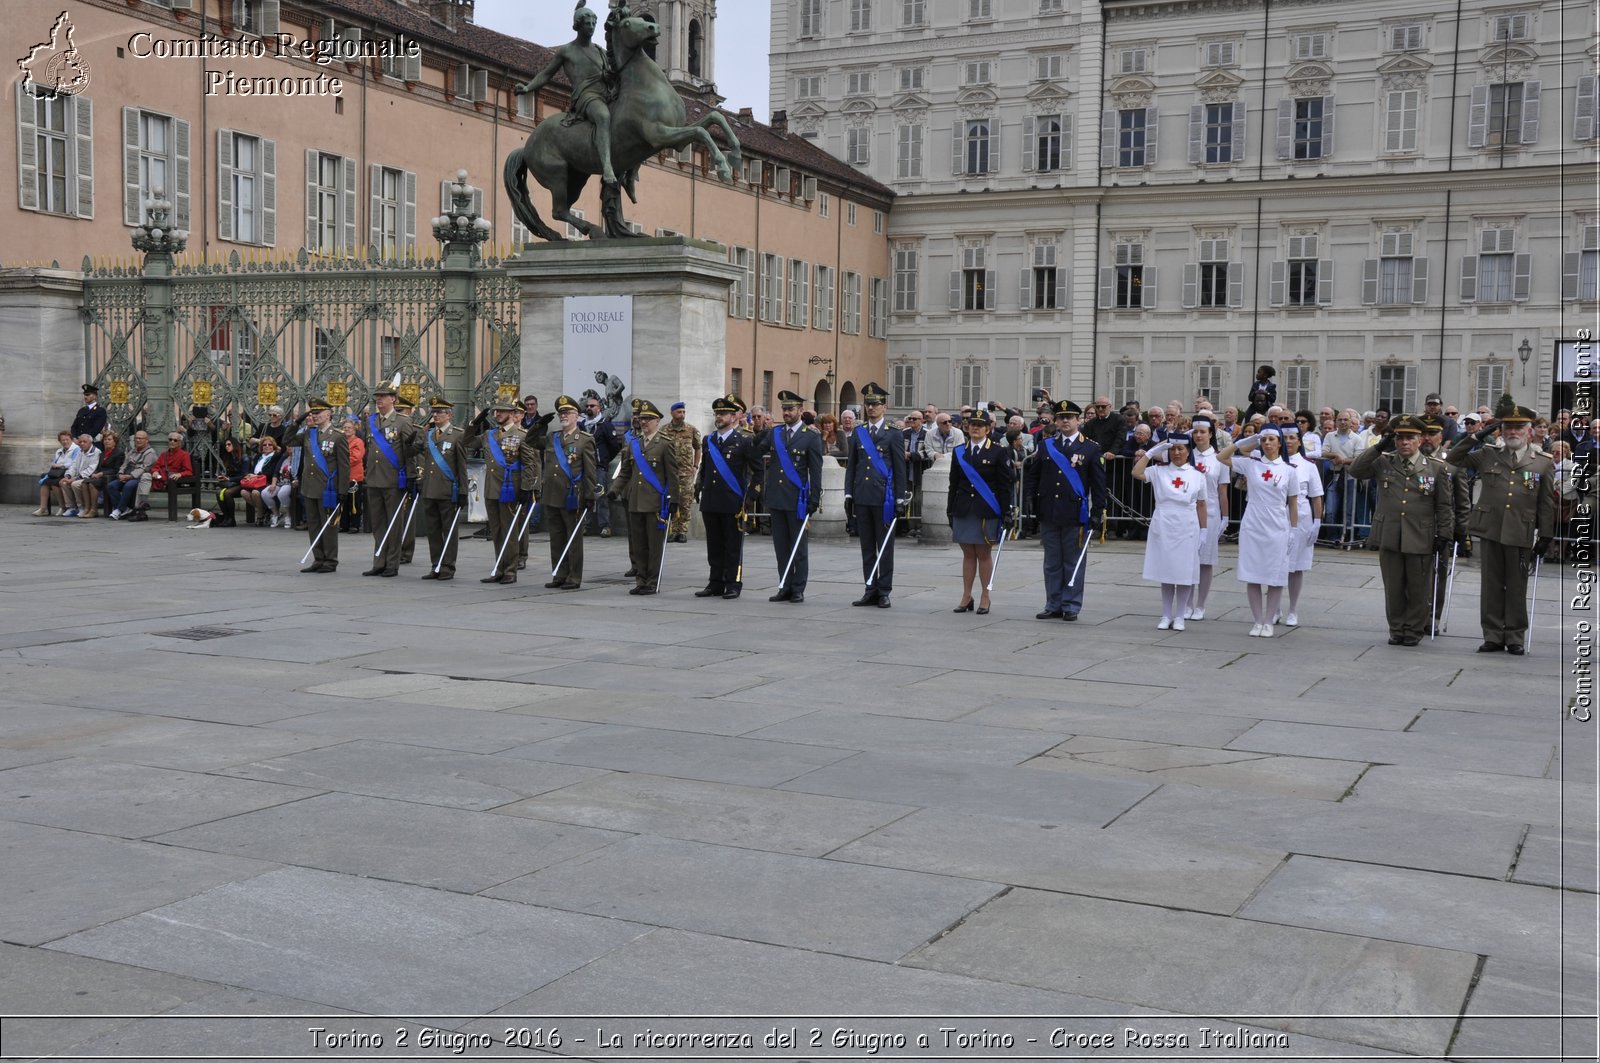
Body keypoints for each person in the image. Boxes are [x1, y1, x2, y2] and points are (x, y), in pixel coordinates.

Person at [1446, 404, 1557, 654]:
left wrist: (1546, 534)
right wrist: (1478, 435)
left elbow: (1546, 502)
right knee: (1491, 584)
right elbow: (1454, 457)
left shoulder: (1542, 463)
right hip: (1492, 528)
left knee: (1517, 586)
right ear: (1501, 430)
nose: (1513, 432)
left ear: (1529, 431)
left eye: (1519, 427)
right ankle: (1493, 634)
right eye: (1508, 427)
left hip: (1521, 531)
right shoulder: (1488, 454)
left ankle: (1515, 635)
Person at [1351, 416, 1456, 646]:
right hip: (1390, 533)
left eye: (1410, 438)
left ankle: (1413, 630)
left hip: (1421, 535)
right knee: (1394, 586)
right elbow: (1356, 470)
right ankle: (1396, 628)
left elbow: (1444, 505)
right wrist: (1379, 446)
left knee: (1419, 588)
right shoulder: (1384, 461)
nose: (1404, 443)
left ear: (1419, 440)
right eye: (1400, 438)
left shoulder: (1435, 468)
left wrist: (1445, 533)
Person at [514, 2, 620, 187]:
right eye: (588, 23)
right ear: (578, 25)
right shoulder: (567, 51)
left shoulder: (599, 51)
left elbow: (613, 71)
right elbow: (546, 74)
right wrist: (528, 88)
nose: (592, 27)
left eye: (594, 24)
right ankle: (607, 167)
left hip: (606, 94)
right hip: (586, 96)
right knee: (603, 117)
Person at [1025, 400, 1107, 622]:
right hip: (1049, 510)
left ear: (1077, 420)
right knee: (1052, 562)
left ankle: (1071, 605)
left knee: (1073, 561)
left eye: (1069, 417)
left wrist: (1098, 510)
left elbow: (1099, 484)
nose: (1064, 421)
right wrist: (1030, 499)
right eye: (1061, 417)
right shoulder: (1046, 445)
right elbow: (1034, 475)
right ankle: (1053, 604)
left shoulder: (1091, 448)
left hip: (1075, 512)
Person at [1219, 425, 1300, 637]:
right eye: (1263, 440)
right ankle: (1257, 620)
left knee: (1275, 575)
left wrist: (1293, 529)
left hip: (1277, 524)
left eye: (1271, 439)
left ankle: (1269, 621)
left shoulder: (1289, 470)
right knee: (1253, 573)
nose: (1267, 443)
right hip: (1253, 521)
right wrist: (1245, 441)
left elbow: (1293, 503)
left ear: (1279, 443)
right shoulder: (1250, 464)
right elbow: (1221, 457)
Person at [752, 390, 823, 603]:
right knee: (781, 547)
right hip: (776, 496)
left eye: (791, 409)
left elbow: (816, 470)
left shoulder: (810, 436)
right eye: (784, 409)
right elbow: (756, 450)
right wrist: (755, 432)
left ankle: (798, 588)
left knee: (798, 547)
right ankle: (784, 585)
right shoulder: (775, 433)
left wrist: (814, 498)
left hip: (797, 499)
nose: (787, 413)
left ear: (800, 411)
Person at [1133, 432, 1208, 630]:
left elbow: (1201, 505)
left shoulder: (1197, 475)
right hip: (1164, 521)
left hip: (1187, 523)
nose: (1176, 453)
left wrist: (1204, 530)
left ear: (1188, 451)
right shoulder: (1159, 471)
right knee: (1166, 572)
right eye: (1173, 449)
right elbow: (1136, 473)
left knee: (1183, 573)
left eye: (1180, 449)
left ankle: (1181, 615)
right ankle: (1166, 615)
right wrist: (1150, 453)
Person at [845, 383, 909, 608]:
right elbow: (852, 466)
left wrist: (900, 498)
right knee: (866, 546)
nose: (871, 408)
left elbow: (900, 468)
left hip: (885, 498)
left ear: (885, 406)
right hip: (862, 496)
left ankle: (884, 590)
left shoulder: (893, 434)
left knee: (885, 547)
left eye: (875, 404)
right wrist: (848, 495)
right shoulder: (858, 432)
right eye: (868, 404)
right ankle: (869, 587)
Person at [465, 399, 541, 585]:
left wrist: (526, 488)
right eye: (496, 411)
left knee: (509, 531)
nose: (498, 414)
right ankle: (499, 567)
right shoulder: (488, 435)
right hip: (492, 489)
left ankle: (510, 570)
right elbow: (467, 442)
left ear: (512, 414)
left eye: (502, 411)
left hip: (511, 490)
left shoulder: (522, 435)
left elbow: (530, 465)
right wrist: (474, 424)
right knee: (497, 532)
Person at [947, 409, 1015, 615]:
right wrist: (950, 510)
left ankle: (986, 596)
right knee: (968, 554)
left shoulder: (998, 451)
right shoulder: (960, 451)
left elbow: (1005, 485)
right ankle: (966, 595)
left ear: (988, 428)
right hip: (964, 508)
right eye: (972, 424)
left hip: (987, 509)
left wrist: (1008, 511)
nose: (975, 427)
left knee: (984, 553)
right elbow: (954, 483)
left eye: (980, 424)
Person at [612, 399, 679, 595]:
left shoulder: (665, 444)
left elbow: (672, 475)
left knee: (654, 545)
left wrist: (674, 500)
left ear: (657, 421)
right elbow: (625, 472)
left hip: (655, 502)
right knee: (639, 544)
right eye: (642, 419)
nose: (644, 422)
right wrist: (614, 489)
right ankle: (640, 579)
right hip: (635, 501)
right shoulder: (633, 443)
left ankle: (651, 581)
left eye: (649, 419)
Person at [694, 394, 756, 600]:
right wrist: (698, 485)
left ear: (734, 417)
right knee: (714, 545)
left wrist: (752, 494)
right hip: (711, 500)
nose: (718, 417)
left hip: (733, 501)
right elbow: (705, 468)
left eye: (723, 414)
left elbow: (757, 470)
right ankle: (715, 582)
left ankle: (733, 582)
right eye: (717, 413)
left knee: (732, 545)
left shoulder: (744, 441)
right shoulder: (709, 440)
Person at [359, 382, 420, 575]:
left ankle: (392, 563)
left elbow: (410, 452)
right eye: (377, 396)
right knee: (378, 524)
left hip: (394, 479)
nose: (379, 399)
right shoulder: (371, 422)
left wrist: (411, 476)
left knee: (394, 523)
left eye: (383, 396)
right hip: (374, 478)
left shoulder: (403, 421)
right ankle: (379, 561)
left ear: (393, 399)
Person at [541, 395, 600, 590]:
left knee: (573, 538)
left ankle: (574, 577)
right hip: (551, 494)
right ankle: (559, 573)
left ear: (577, 416)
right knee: (556, 537)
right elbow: (531, 442)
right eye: (561, 413)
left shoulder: (584, 440)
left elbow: (590, 471)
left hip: (572, 496)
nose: (563, 416)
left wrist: (591, 495)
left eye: (567, 413)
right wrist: (539, 425)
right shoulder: (553, 437)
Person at [289, 401, 350, 572]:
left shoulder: (338, 436)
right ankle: (318, 558)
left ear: (329, 413)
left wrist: (342, 490)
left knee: (328, 525)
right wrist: (296, 422)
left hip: (328, 489)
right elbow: (287, 440)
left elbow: (344, 466)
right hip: (309, 487)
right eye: (313, 413)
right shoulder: (309, 433)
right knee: (314, 524)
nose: (315, 415)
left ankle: (330, 560)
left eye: (319, 412)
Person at [1275, 425, 1325, 626]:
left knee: (1296, 567)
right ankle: (1275, 608)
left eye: (1292, 437)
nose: (1288, 441)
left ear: (1299, 441)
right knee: (1277, 564)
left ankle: (1293, 609)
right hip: (1277, 516)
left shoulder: (1308, 465)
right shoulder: (1274, 463)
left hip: (1302, 516)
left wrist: (1317, 521)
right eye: (1284, 437)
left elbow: (1316, 495)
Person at [417, 397, 469, 581]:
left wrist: (463, 490)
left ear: (450, 415)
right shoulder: (429, 434)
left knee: (449, 530)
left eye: (440, 412)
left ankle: (447, 566)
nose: (436, 415)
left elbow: (462, 465)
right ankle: (436, 564)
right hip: (430, 489)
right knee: (433, 531)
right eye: (434, 412)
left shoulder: (457, 435)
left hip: (448, 490)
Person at [1187, 416, 1228, 620]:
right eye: (1195, 432)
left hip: (1211, 512)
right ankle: (1187, 602)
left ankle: (1200, 604)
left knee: (1205, 560)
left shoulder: (1219, 459)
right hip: (1188, 511)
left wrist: (1225, 517)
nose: (1199, 436)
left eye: (1203, 432)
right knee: (1188, 558)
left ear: (1211, 434)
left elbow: (1222, 491)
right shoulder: (1186, 456)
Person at [662, 401, 702, 544]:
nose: (682, 415)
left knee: (685, 501)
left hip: (686, 473)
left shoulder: (691, 430)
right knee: (670, 500)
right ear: (672, 413)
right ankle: (672, 529)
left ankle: (682, 530)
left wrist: (695, 465)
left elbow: (698, 447)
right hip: (669, 473)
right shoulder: (664, 430)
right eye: (679, 412)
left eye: (684, 412)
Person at [579, 394, 617, 538]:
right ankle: (585, 525)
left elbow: (614, 446)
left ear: (599, 408)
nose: (589, 408)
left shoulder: (605, 425)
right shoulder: (581, 425)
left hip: (599, 467)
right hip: (583, 467)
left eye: (592, 406)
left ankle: (605, 526)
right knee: (584, 496)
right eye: (587, 406)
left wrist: (604, 459)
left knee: (601, 496)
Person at [106, 430, 159, 520]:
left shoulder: (150, 453)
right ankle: (125, 509)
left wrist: (130, 476)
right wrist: (120, 474)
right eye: (136, 438)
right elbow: (124, 464)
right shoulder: (132, 451)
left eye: (141, 438)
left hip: (139, 478)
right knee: (112, 485)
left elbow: (144, 468)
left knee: (129, 485)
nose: (138, 440)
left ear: (146, 440)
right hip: (127, 476)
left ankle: (119, 510)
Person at [248, 436, 292, 527]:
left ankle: (288, 515)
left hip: (288, 482)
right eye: (264, 445)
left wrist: (258, 476)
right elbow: (276, 472)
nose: (267, 446)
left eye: (269, 444)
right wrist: (273, 484)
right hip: (277, 482)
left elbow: (271, 472)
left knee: (282, 493)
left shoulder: (277, 455)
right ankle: (276, 514)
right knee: (265, 493)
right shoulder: (283, 457)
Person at [35, 431, 79, 516]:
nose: (65, 442)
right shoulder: (59, 451)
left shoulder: (76, 449)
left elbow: (75, 463)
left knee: (54, 483)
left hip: (70, 473)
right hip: (59, 473)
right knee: (45, 482)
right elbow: (54, 462)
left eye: (67, 439)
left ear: (71, 439)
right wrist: (55, 465)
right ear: (60, 441)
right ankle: (43, 508)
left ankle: (63, 507)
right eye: (63, 440)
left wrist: (61, 465)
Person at [58, 434, 100, 518]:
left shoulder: (96, 452)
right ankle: (72, 507)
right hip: (77, 476)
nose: (82, 443)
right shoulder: (80, 452)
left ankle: (81, 506)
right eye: (80, 442)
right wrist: (68, 476)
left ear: (90, 442)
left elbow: (91, 469)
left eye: (84, 442)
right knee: (63, 482)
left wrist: (75, 479)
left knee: (75, 484)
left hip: (89, 478)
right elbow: (74, 466)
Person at [83, 428, 121, 518]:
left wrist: (101, 474)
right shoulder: (102, 453)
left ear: (114, 441)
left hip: (110, 477)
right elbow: (99, 467)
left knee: (92, 484)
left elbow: (116, 469)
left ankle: (94, 509)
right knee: (85, 482)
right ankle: (87, 508)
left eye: (109, 439)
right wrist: (95, 472)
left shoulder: (119, 453)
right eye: (105, 440)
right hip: (100, 476)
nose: (107, 442)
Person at [211, 436, 248, 526]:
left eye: (229, 444)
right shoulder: (229, 458)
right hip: (233, 483)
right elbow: (230, 474)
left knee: (227, 493)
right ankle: (226, 517)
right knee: (218, 492)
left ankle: (232, 519)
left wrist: (229, 479)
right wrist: (224, 477)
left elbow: (244, 476)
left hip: (243, 483)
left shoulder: (244, 458)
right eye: (226, 445)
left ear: (234, 445)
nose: (227, 446)